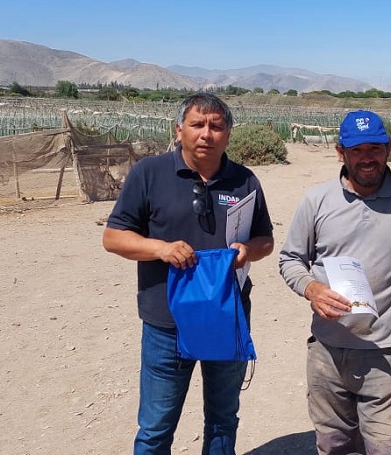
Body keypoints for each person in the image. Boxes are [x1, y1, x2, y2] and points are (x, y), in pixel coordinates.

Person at [102, 92, 274, 455]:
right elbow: (113, 237)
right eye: (197, 125)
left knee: (224, 420)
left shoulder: (244, 180)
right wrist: (160, 249)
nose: (206, 134)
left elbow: (265, 240)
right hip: (167, 324)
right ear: (179, 130)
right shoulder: (149, 173)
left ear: (228, 133)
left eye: (216, 126)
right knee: (155, 427)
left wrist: (248, 251)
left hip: (226, 319)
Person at [279, 110, 391, 455]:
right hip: (327, 353)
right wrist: (312, 288)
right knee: (334, 446)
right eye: (357, 150)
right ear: (340, 152)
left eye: (375, 148)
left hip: (387, 353)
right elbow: (290, 259)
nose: (367, 158)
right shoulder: (316, 200)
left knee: (390, 448)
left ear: (389, 149)